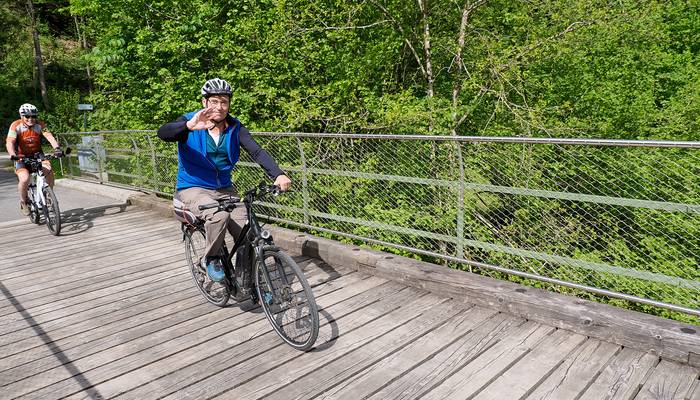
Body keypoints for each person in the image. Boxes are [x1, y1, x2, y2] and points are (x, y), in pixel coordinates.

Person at [157, 78, 291, 282]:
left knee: (248, 234)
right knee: (218, 216)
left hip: (225, 188)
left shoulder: (235, 127)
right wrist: (189, 126)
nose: (220, 107)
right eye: (215, 101)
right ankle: (210, 258)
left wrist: (278, 174)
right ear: (205, 102)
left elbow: (256, 151)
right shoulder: (190, 122)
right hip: (194, 187)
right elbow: (163, 133)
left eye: (224, 102)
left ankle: (247, 282)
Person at [6, 103, 63, 216]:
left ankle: (48, 195)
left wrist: (57, 148)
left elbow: (49, 136)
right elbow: (10, 142)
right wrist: (13, 154)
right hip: (21, 156)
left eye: (34, 116)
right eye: (27, 116)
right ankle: (23, 202)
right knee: (24, 179)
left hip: (37, 155)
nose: (31, 119)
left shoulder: (40, 125)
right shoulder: (15, 125)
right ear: (22, 116)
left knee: (49, 171)